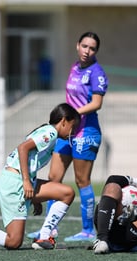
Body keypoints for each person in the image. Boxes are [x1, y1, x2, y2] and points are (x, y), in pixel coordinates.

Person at [0, 103, 80, 250]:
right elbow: (23, 148)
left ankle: (43, 237)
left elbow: (31, 160)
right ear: (63, 121)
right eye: (72, 126)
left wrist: (36, 198)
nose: (72, 131)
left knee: (67, 193)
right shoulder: (50, 133)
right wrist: (26, 181)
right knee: (13, 242)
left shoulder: (49, 133)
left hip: (20, 180)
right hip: (14, 184)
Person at [28, 31, 109, 242]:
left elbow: (97, 103)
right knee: (54, 178)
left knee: (82, 180)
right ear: (77, 45)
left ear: (96, 51)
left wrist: (73, 115)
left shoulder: (96, 73)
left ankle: (88, 231)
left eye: (92, 48)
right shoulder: (74, 67)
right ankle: (49, 229)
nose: (87, 51)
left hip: (86, 132)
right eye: (84, 46)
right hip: (67, 132)